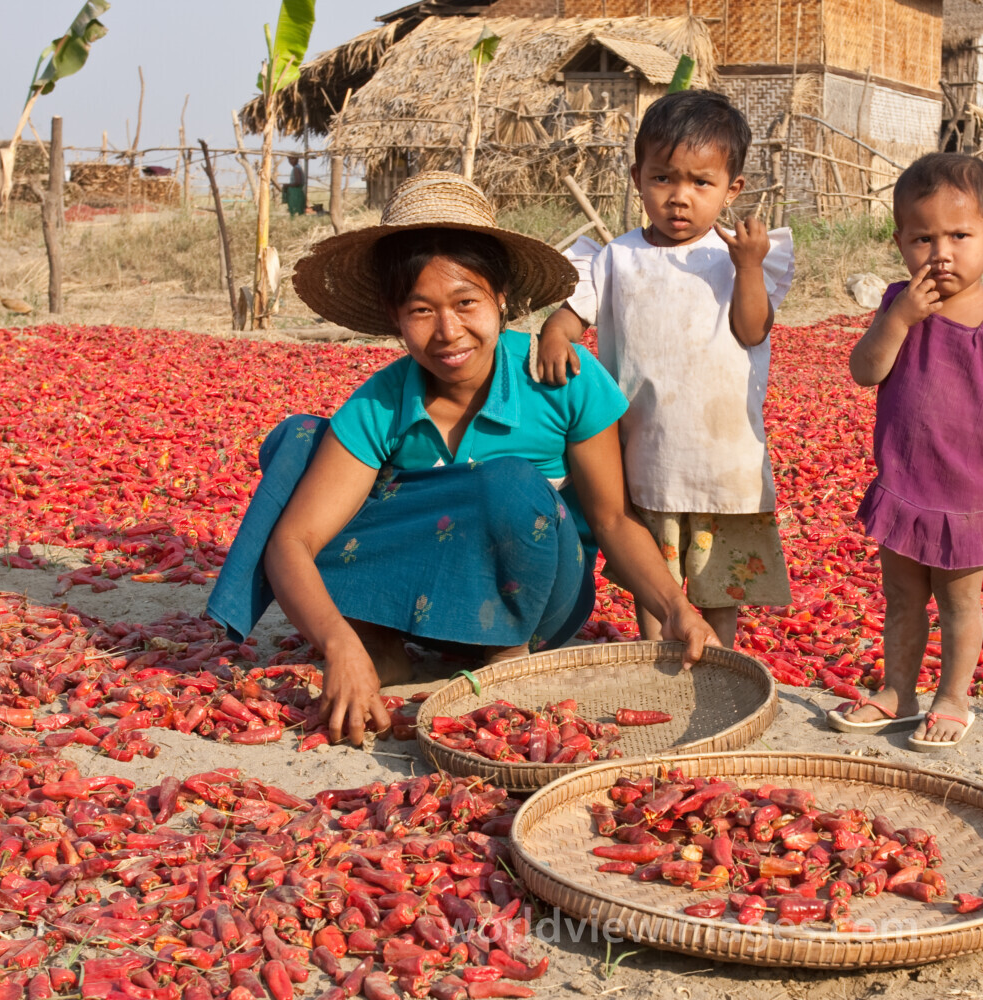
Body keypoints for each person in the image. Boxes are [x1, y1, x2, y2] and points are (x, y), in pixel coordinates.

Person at [206, 171, 719, 746]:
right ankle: (381, 648)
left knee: (506, 482)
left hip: (538, 601)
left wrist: (674, 607)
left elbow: (611, 519)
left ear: (501, 299)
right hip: (425, 601)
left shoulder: (562, 379)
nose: (449, 333)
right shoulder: (382, 400)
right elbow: (293, 539)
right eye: (421, 311)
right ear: (394, 316)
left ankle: (506, 656)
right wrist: (338, 643)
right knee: (298, 445)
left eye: (467, 303)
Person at [535, 90, 794, 649]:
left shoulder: (742, 258)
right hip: (644, 456)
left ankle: (719, 672)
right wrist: (555, 334)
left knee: (718, 590)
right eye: (663, 179)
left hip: (722, 461)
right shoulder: (614, 258)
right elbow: (571, 316)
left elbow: (753, 330)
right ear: (638, 177)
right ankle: (657, 665)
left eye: (701, 183)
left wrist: (748, 267)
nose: (680, 198)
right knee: (653, 589)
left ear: (733, 189)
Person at [829, 153, 983, 750]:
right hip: (903, 484)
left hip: (969, 493)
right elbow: (863, 372)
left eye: (959, 235)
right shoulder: (899, 304)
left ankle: (953, 697)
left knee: (957, 599)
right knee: (901, 596)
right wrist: (898, 317)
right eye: (923, 238)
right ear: (900, 242)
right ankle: (899, 691)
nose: (941, 253)